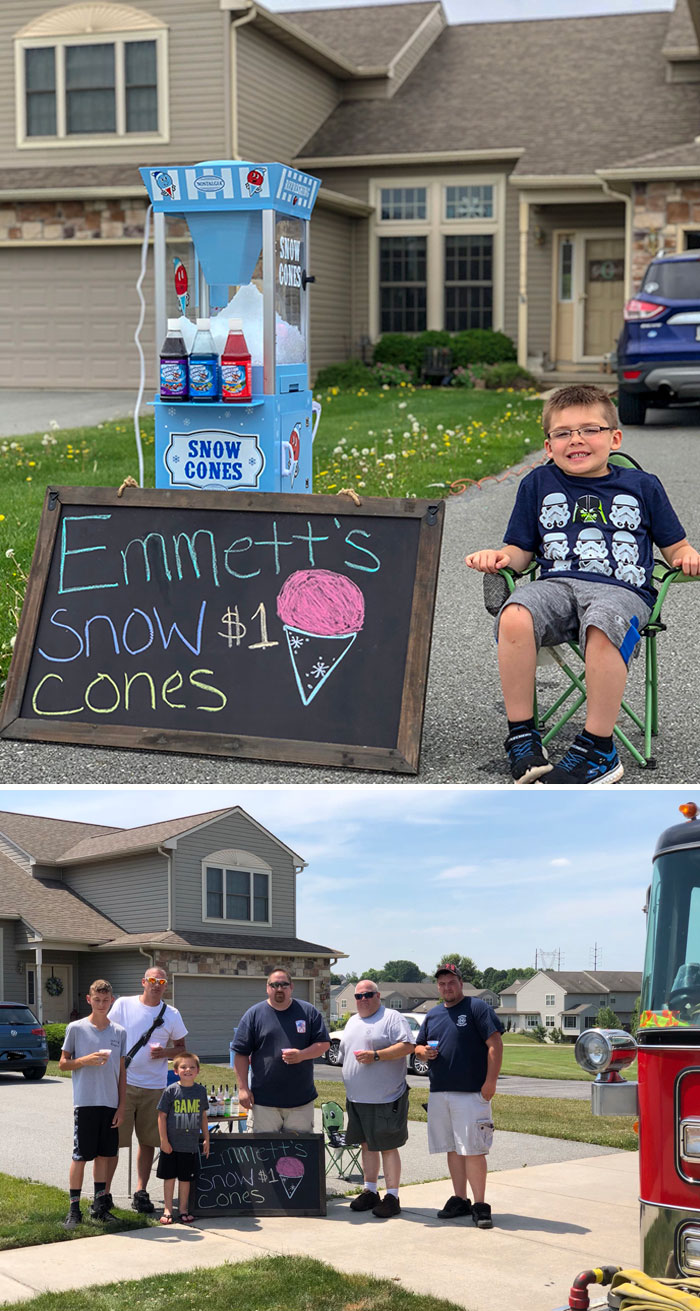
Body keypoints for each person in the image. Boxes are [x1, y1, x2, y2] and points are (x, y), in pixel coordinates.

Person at [465, 383, 700, 785]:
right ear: (549, 445)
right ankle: (522, 736)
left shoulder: (643, 486)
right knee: (516, 614)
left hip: (621, 592)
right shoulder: (537, 484)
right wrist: (501, 558)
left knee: (605, 619)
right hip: (556, 584)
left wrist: (686, 558)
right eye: (563, 433)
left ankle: (599, 747)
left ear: (614, 437)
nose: (576, 440)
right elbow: (521, 551)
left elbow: (675, 548)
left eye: (590, 429)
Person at [414, 963, 503, 1230]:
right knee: (452, 1148)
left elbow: (495, 1044)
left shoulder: (477, 1008)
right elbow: (418, 1046)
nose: (446, 987)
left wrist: (490, 1081)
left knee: (473, 1149)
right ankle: (460, 1198)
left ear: (460, 983)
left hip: (471, 1092)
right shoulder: (434, 1014)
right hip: (440, 1092)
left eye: (451, 982)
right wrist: (423, 1053)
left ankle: (480, 1204)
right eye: (442, 984)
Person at [105, 967, 188, 1213]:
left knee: (148, 1142)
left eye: (161, 981)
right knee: (114, 1142)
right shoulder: (123, 1005)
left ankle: (141, 1192)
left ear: (165, 985)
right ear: (143, 982)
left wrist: (165, 1052)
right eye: (152, 980)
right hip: (123, 1084)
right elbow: (108, 1034)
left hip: (154, 1087)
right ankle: (105, 1193)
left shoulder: (172, 1014)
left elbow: (182, 1047)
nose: (157, 984)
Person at [338, 980, 415, 1219]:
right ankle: (370, 1190)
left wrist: (377, 1056)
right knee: (366, 1144)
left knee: (387, 1146)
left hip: (386, 1098)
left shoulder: (391, 1017)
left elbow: (408, 1046)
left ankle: (392, 1196)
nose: (363, 999)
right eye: (359, 996)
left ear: (378, 995)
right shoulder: (352, 1021)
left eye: (368, 995)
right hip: (357, 1098)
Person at [59, 979, 126, 1230]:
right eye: (96, 1000)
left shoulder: (119, 1032)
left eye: (105, 1000)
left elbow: (121, 1071)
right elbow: (63, 1063)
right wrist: (84, 1060)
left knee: (104, 1156)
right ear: (89, 1000)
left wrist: (121, 1106)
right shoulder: (76, 1028)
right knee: (80, 1156)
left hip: (110, 1103)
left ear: (112, 1001)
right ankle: (74, 1209)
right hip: (86, 1102)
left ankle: (99, 1208)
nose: (101, 1004)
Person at [232, 967, 330, 1132]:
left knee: (298, 1154)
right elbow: (240, 1053)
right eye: (274, 985)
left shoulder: (308, 1012)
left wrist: (302, 1055)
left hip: (301, 1102)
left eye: (284, 985)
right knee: (264, 1153)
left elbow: (323, 1044)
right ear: (267, 987)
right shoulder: (254, 1015)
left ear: (291, 987)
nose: (279, 989)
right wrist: (243, 1089)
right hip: (263, 1102)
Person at [156, 1051, 209, 1225]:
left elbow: (203, 1116)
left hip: (190, 1145)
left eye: (192, 1067)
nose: (188, 1070)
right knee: (169, 1177)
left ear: (198, 1071)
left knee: (186, 1179)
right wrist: (164, 1141)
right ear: (176, 1071)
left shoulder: (200, 1091)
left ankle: (183, 1209)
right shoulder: (171, 1091)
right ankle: (168, 1209)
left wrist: (206, 1138)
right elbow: (161, 1116)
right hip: (171, 1144)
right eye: (183, 1067)